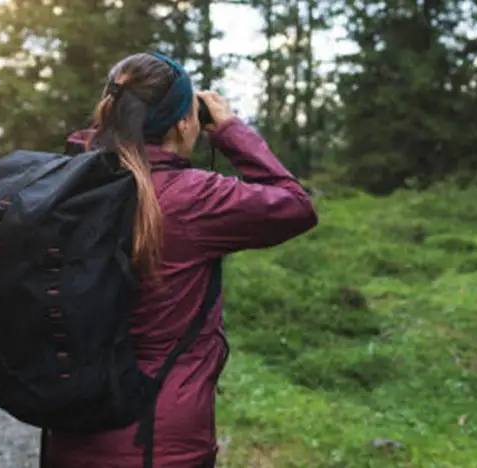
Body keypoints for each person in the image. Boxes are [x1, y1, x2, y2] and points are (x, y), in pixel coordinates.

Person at [45, 52, 318, 468]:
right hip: (159, 441)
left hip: (68, 434)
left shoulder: (66, 182)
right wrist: (229, 129)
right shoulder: (193, 197)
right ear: (182, 125)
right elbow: (295, 205)